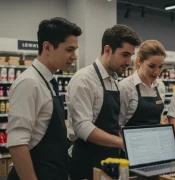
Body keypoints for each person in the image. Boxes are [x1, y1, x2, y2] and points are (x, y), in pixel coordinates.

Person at [6, 17, 82, 180]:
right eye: (69, 49)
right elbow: (17, 144)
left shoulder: (47, 82)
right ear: (47, 47)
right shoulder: (29, 83)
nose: (74, 56)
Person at [67, 24, 141, 180]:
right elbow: (82, 127)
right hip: (87, 160)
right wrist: (121, 142)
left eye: (131, 56)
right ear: (108, 50)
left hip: (110, 159)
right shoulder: (84, 79)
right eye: (125, 55)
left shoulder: (114, 80)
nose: (129, 62)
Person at [119, 40, 166, 127]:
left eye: (160, 66)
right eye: (151, 66)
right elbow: (118, 124)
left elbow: (159, 119)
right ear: (139, 61)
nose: (157, 72)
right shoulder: (125, 86)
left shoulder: (160, 86)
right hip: (131, 139)